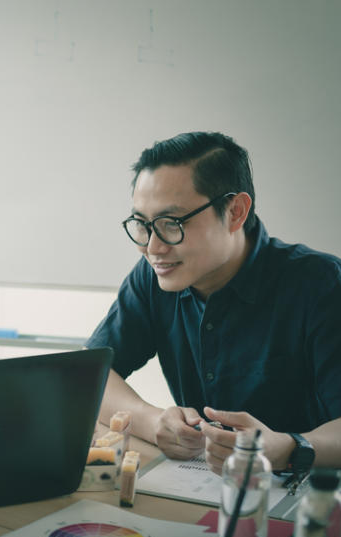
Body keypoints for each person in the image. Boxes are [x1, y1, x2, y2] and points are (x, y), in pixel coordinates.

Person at [86, 131, 341, 477]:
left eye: (171, 223)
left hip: (305, 496)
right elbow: (92, 373)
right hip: (203, 489)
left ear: (235, 212)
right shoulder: (153, 276)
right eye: (142, 225)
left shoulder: (319, 283)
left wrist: (287, 448)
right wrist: (153, 420)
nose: (152, 247)